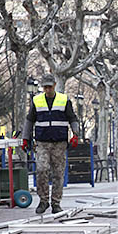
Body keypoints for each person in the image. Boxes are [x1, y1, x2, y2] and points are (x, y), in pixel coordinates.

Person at [22, 74, 80, 214]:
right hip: (42, 142)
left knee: (58, 173)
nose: (47, 89)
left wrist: (76, 134)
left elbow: (72, 118)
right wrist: (25, 138)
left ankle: (56, 203)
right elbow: (29, 120)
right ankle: (43, 201)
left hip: (59, 143)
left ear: (54, 85)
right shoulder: (37, 100)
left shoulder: (64, 100)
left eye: (49, 87)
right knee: (41, 170)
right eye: (45, 87)